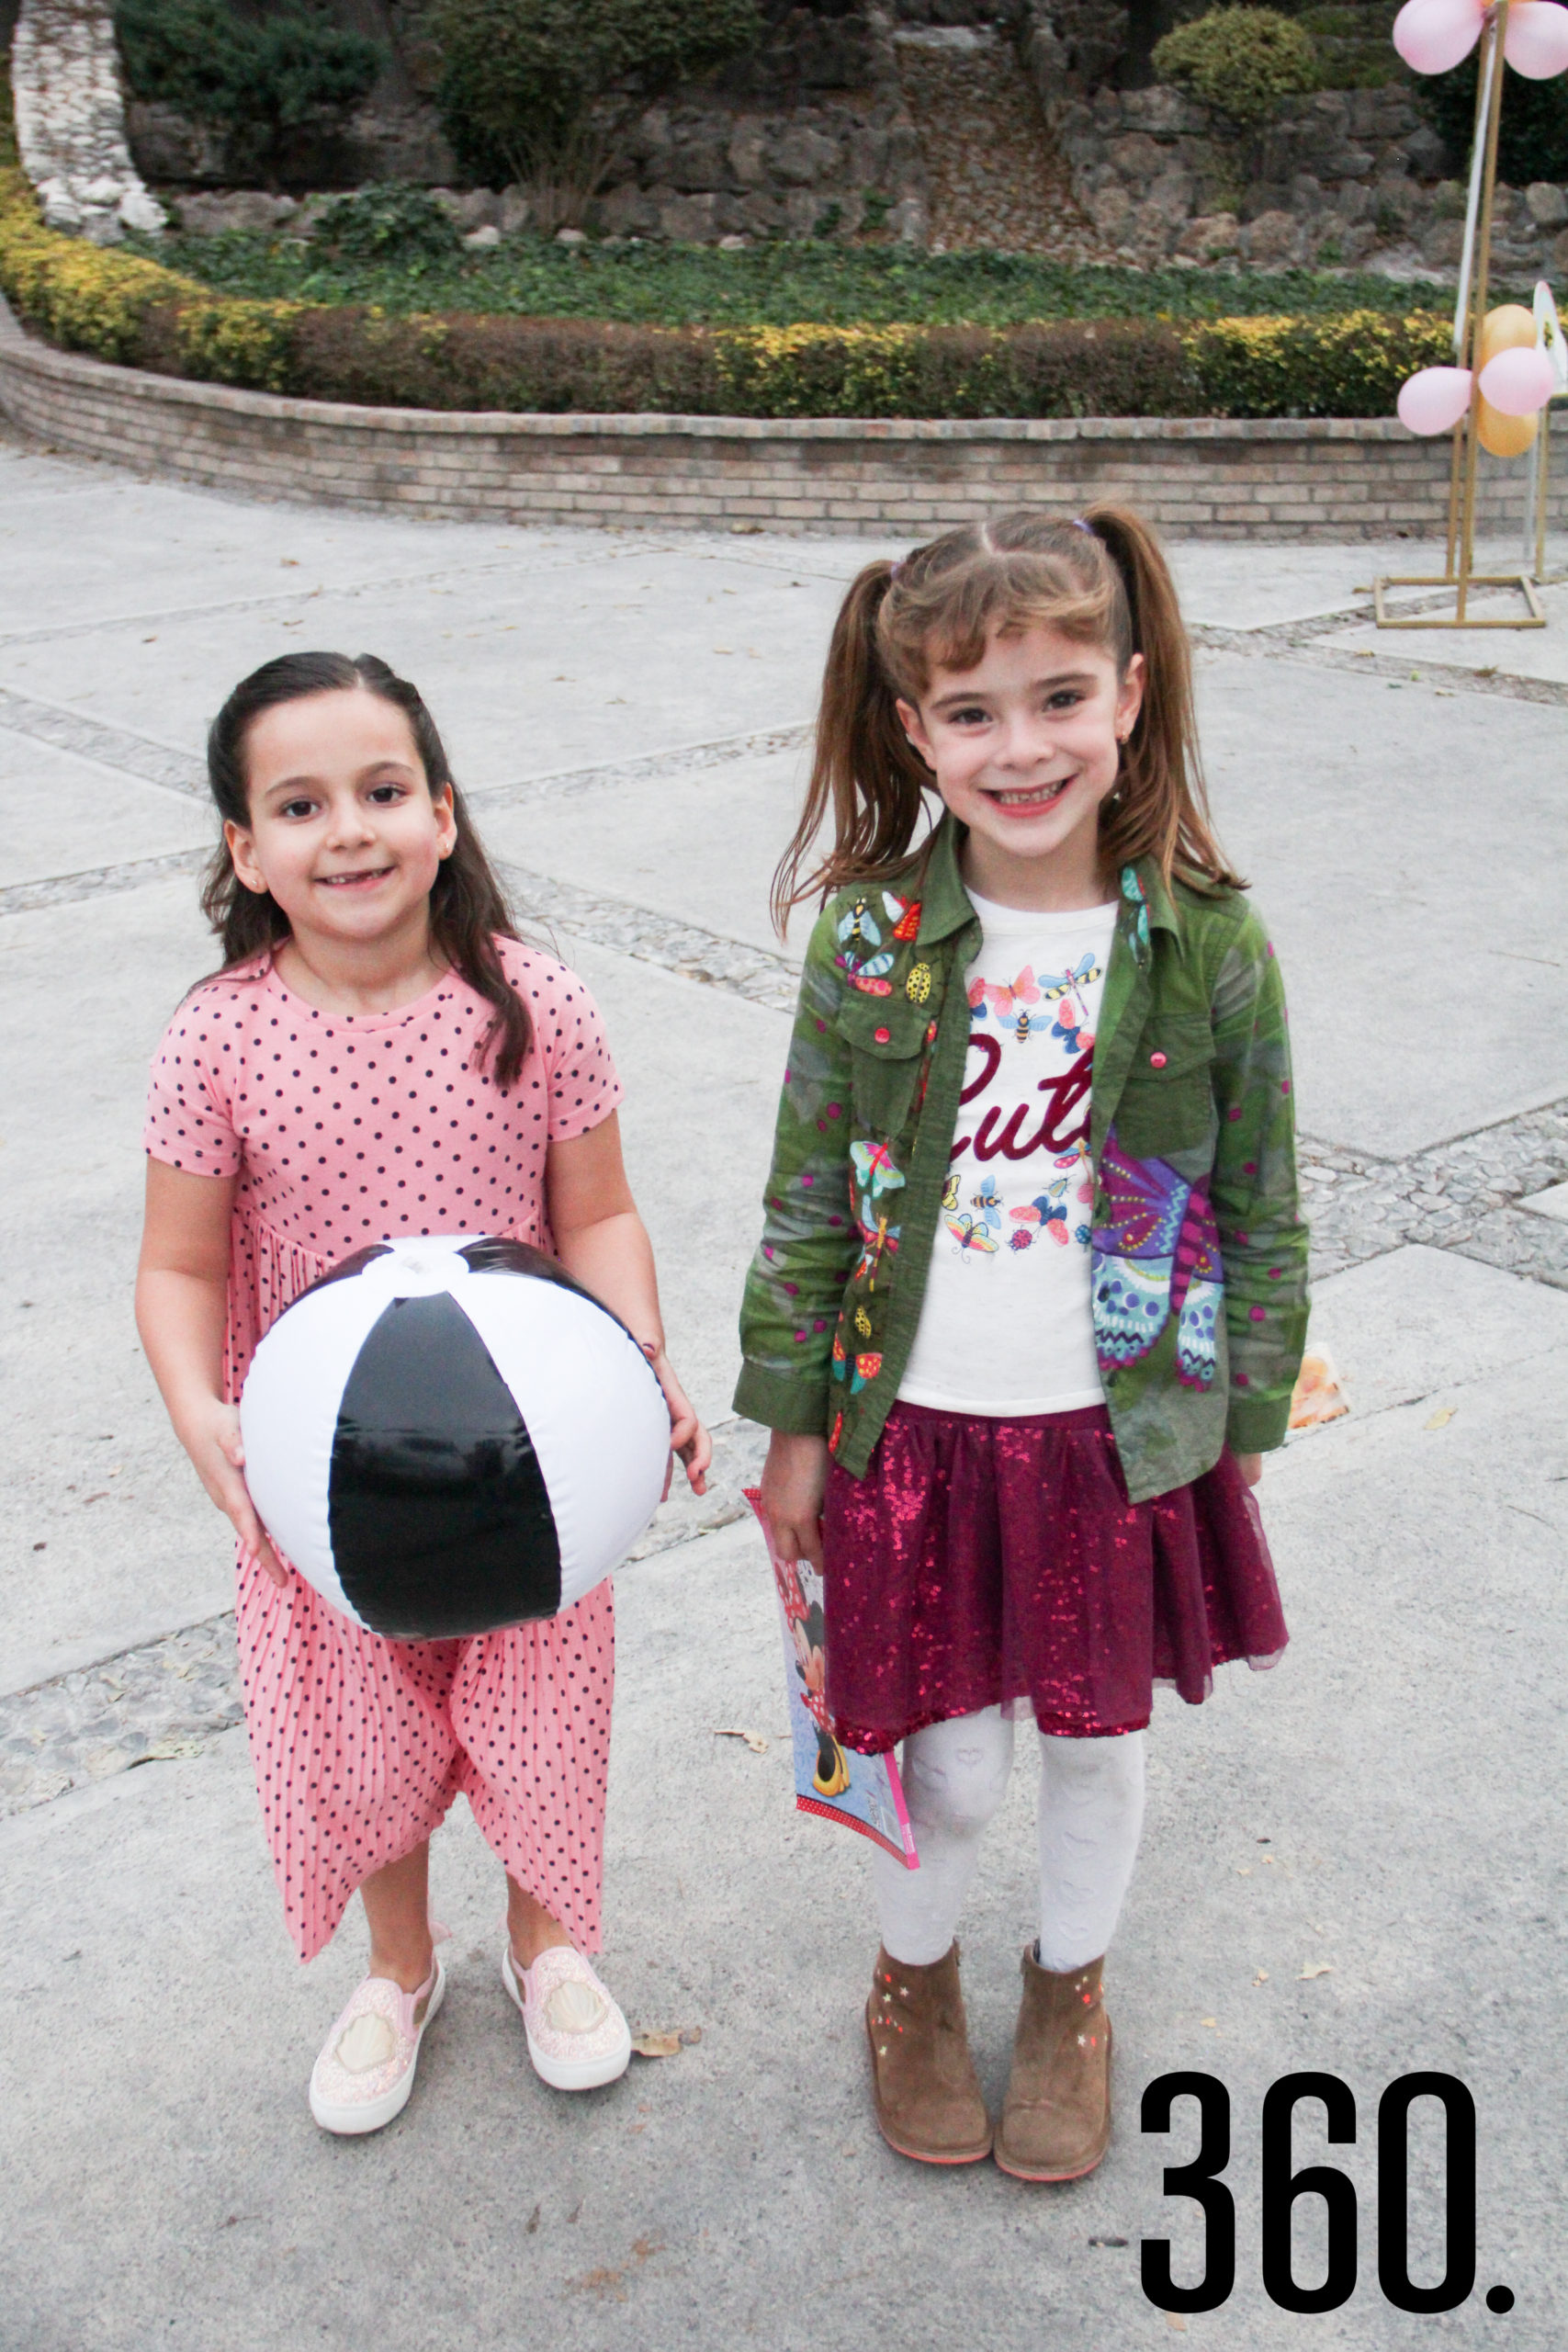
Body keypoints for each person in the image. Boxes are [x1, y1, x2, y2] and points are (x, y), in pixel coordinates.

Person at [738, 509, 1305, 2181]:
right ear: (914, 730)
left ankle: (1072, 1992)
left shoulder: (1205, 942)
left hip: (1114, 1430)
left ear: (1130, 696)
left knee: (1100, 1741)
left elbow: (1262, 1200)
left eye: (1062, 697)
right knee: (955, 1762)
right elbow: (802, 1196)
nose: (1023, 745)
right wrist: (789, 1423)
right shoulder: (869, 940)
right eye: (973, 713)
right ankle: (912, 1981)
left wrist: (1245, 1404)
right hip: (910, 1427)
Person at [136, 651, 709, 2135]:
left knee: (539, 1714)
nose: (350, 831)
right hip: (327, 1473)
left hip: (537, 1459)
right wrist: (202, 1409)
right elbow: (179, 1266)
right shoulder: (219, 1038)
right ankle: (400, 1967)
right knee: (361, 1737)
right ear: (244, 850)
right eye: (301, 803)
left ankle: (545, 1943)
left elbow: (601, 1216)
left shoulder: (537, 1003)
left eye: (384, 792)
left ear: (444, 815)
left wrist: (637, 1362)